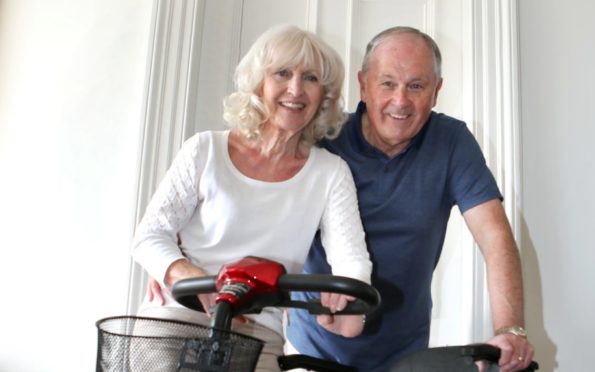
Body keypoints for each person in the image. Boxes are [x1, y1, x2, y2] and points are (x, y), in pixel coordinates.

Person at [285, 26, 535, 372]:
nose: (400, 100)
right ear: (363, 84)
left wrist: (509, 330)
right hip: (312, 347)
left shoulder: (452, 142)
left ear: (436, 92)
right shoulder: (323, 139)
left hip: (405, 355)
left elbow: (495, 238)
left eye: (416, 86)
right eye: (387, 83)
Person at [132, 24, 372, 371]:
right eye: (282, 73)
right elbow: (149, 235)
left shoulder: (331, 173)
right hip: (177, 317)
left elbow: (352, 260)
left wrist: (350, 296)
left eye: (310, 78)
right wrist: (179, 270)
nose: (295, 89)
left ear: (325, 95)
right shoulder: (205, 149)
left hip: (257, 332)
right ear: (260, 83)